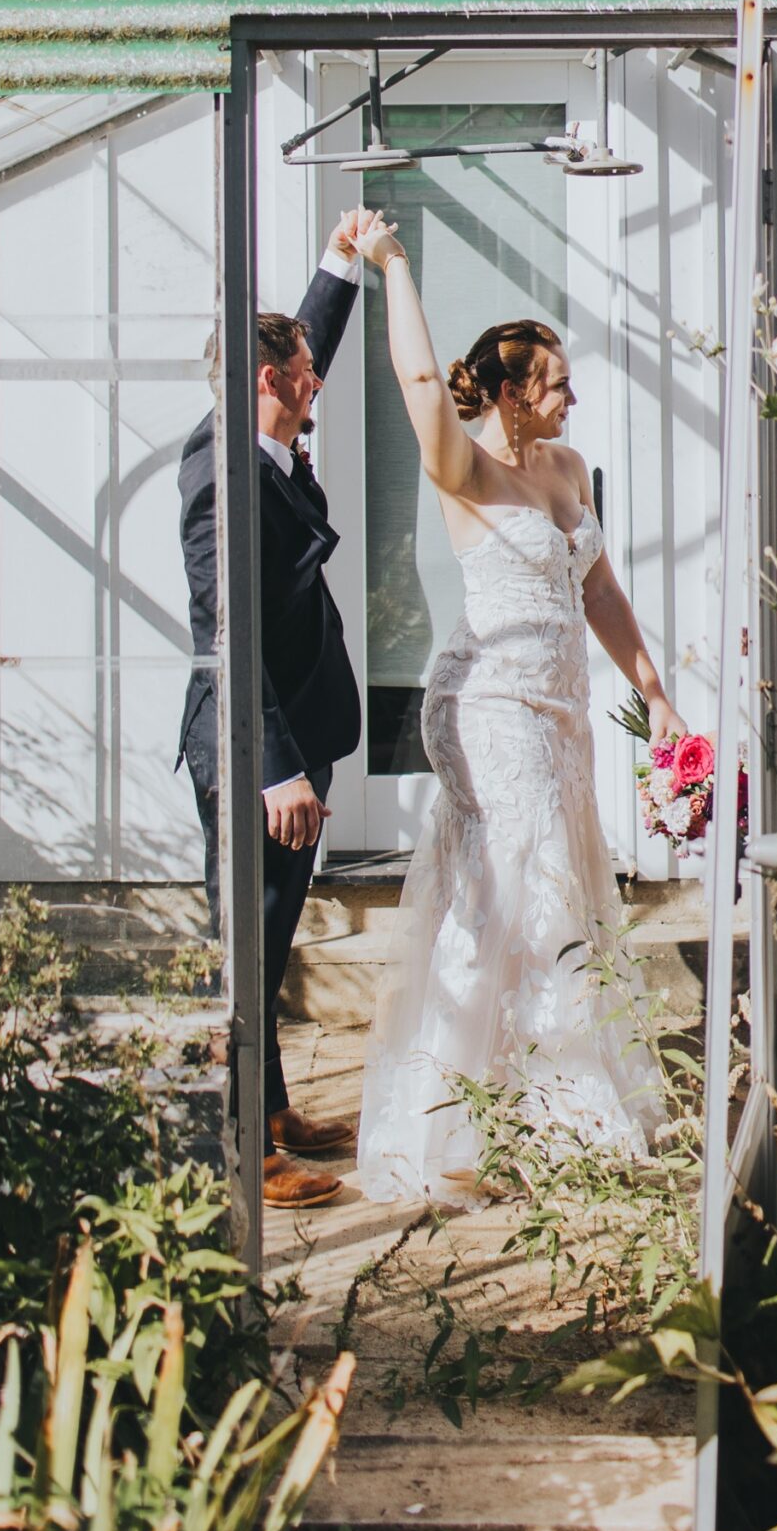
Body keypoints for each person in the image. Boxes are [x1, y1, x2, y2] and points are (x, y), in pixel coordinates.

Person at [349, 213, 685, 1201]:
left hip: (564, 713)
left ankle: (515, 1101)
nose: (573, 396)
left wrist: (655, 695)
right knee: (523, 890)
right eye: (555, 383)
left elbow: (602, 591)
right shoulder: (468, 472)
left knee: (548, 889)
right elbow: (417, 386)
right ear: (505, 392)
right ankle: (532, 1119)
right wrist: (395, 265)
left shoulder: (569, 471)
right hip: (488, 707)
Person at [177, 207, 380, 1209]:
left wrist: (338, 265)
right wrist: (275, 768)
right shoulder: (223, 479)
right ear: (267, 381)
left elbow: (300, 338)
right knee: (247, 952)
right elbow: (229, 635)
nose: (316, 379)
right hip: (258, 753)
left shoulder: (258, 431)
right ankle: (246, 1153)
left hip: (295, 736)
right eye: (302, 370)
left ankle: (275, 1113)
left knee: (270, 937)